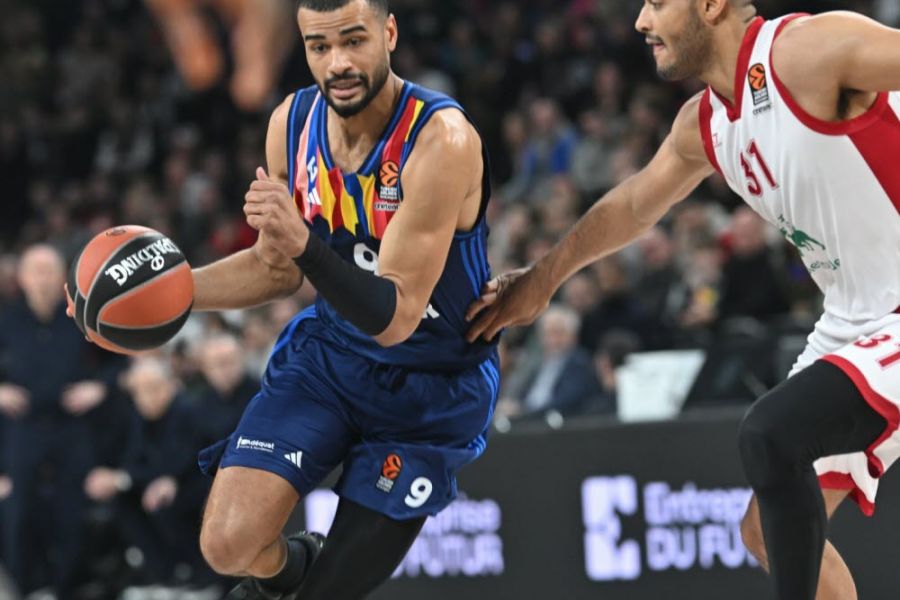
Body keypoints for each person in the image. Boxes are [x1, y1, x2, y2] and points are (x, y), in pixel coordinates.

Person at [466, 3, 900, 600]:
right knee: (767, 533)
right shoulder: (705, 124)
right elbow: (636, 203)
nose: (642, 21)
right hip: (855, 319)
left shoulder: (806, 50)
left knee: (772, 434)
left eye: (657, 2)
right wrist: (543, 278)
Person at [178, 1, 497, 598]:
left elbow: (395, 317)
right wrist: (169, 296)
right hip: (330, 359)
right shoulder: (290, 123)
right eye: (320, 47)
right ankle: (290, 569)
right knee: (228, 546)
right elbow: (275, 269)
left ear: (390, 32)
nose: (338, 63)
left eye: (354, 41)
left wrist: (304, 245)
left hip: (429, 387)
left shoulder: (441, 138)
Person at [0, 245, 119, 599]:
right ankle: (28, 587)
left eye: (50, 270)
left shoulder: (83, 317)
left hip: (72, 427)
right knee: (19, 510)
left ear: (63, 276)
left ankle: (67, 588)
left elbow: (120, 361)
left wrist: (99, 387)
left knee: (73, 511)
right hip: (23, 427)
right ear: (21, 277)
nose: (42, 278)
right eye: (35, 270)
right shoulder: (7, 319)